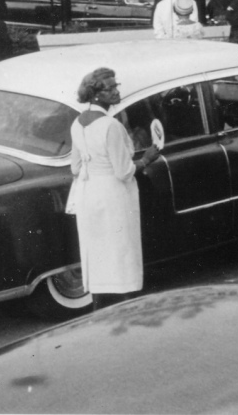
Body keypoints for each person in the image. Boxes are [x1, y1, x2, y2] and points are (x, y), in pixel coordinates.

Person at [68, 67, 159, 305]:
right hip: (114, 195)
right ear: (96, 94)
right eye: (110, 88)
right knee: (122, 248)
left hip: (89, 194)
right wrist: (146, 159)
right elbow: (123, 171)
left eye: (115, 86)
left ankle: (99, 305)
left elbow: (76, 168)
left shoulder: (77, 123)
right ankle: (129, 302)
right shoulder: (110, 126)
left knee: (97, 250)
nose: (116, 91)